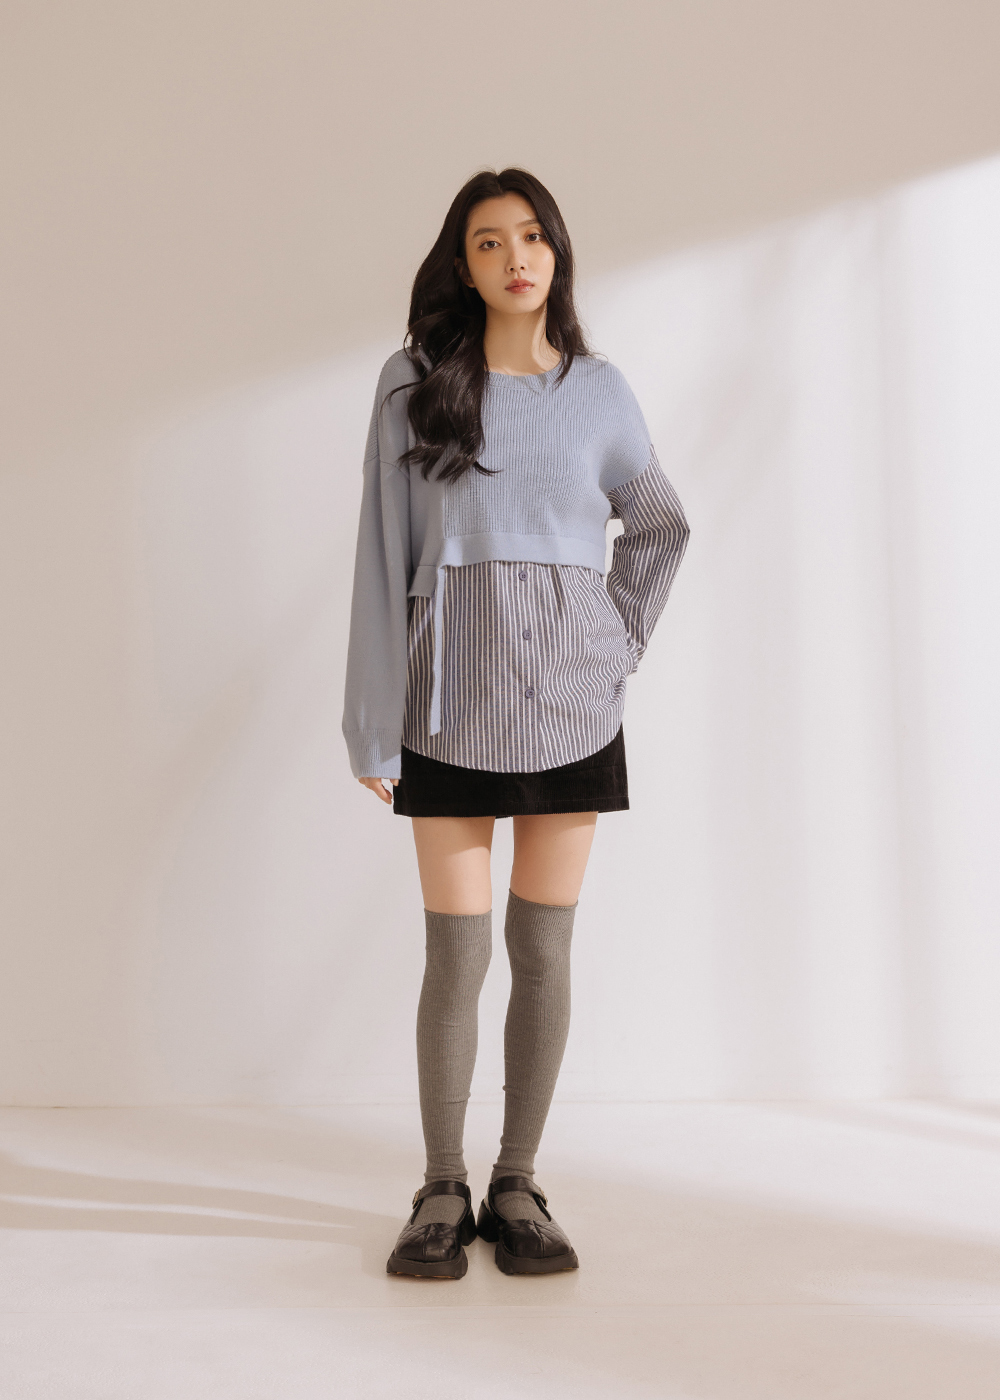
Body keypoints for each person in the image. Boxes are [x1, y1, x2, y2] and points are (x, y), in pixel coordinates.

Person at [342, 167, 689, 1279]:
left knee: (542, 950)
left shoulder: (601, 390)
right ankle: (441, 1186)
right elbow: (380, 553)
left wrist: (615, 643)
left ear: (557, 252)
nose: (514, 257)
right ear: (463, 263)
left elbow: (660, 524)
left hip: (571, 706)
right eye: (489, 241)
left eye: (531, 236)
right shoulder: (413, 383)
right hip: (445, 704)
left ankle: (518, 1181)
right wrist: (371, 719)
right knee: (456, 957)